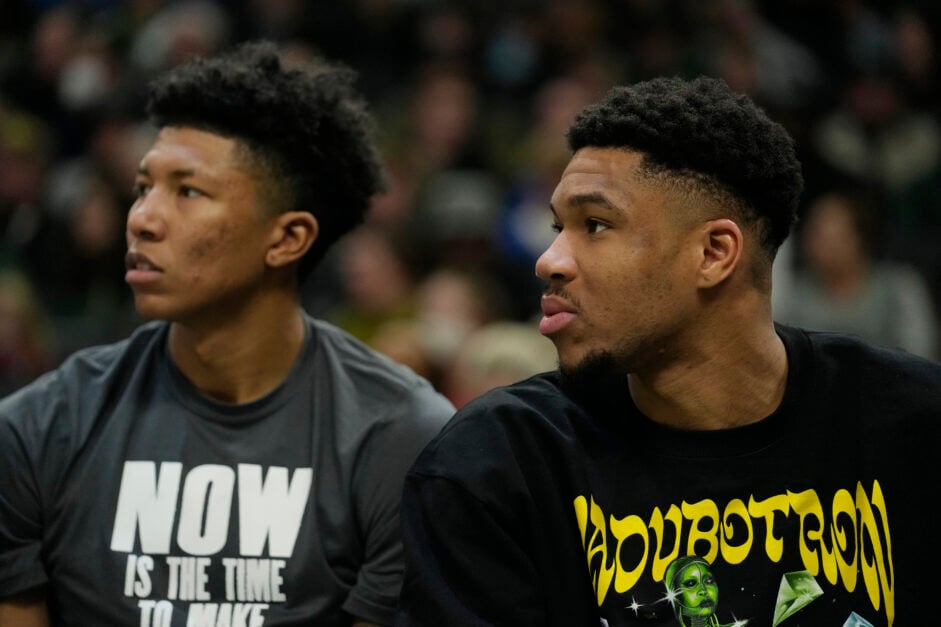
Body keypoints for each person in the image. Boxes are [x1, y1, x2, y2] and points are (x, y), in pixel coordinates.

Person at [394, 75, 941, 627]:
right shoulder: (496, 465)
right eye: (559, 227)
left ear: (714, 252)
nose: (549, 260)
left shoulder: (912, 424)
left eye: (595, 225)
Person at [0, 40, 454, 627]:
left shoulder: (400, 436)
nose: (142, 218)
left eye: (188, 191)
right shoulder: (38, 428)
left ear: (287, 238)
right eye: (143, 187)